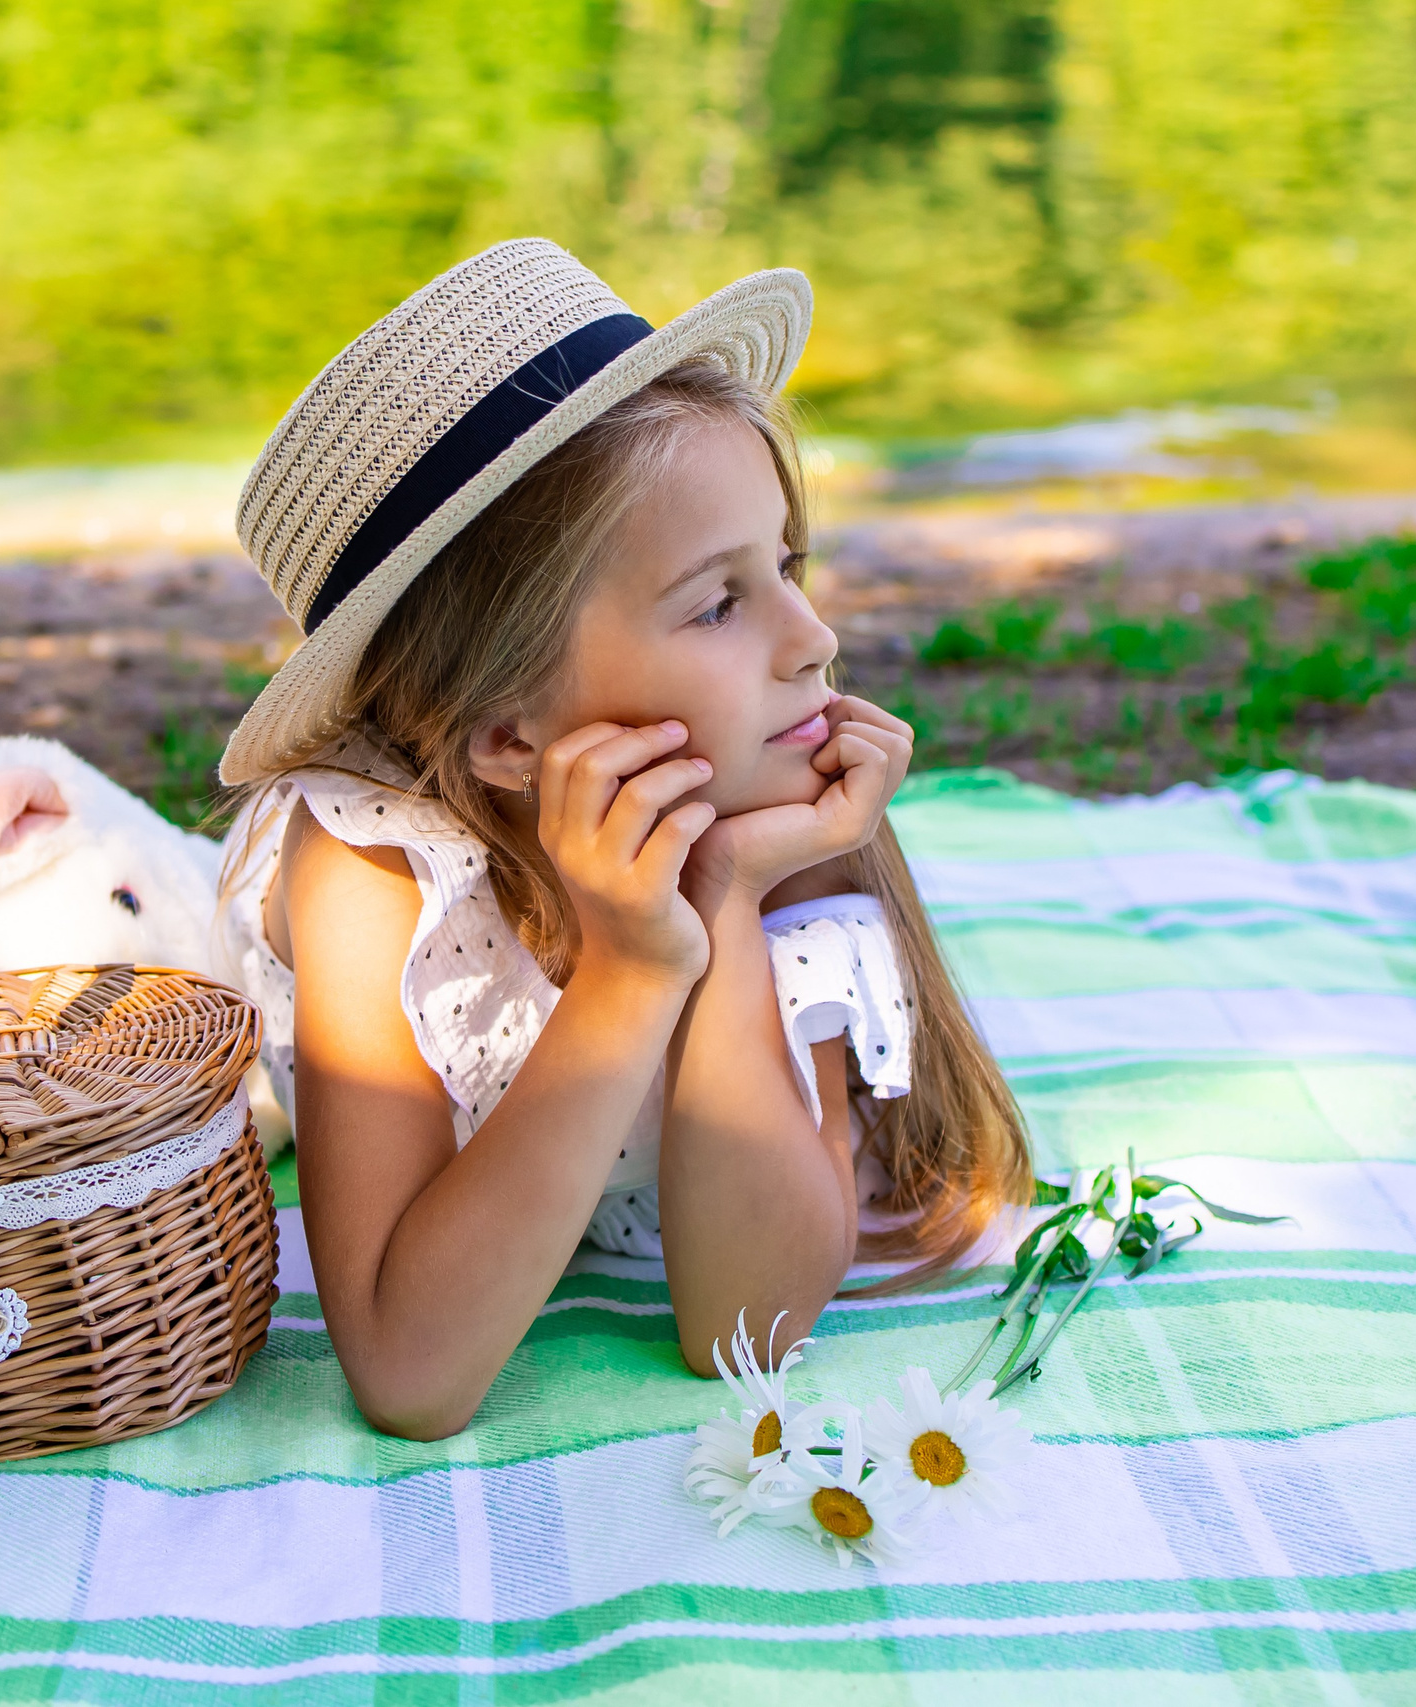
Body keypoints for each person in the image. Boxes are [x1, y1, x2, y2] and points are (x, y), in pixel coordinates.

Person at [213, 240, 1029, 1441]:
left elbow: (741, 1328)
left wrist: (727, 900)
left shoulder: (770, 790)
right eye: (717, 601)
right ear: (508, 735)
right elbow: (409, 1374)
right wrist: (632, 969)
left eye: (790, 566)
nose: (812, 637)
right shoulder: (371, 860)